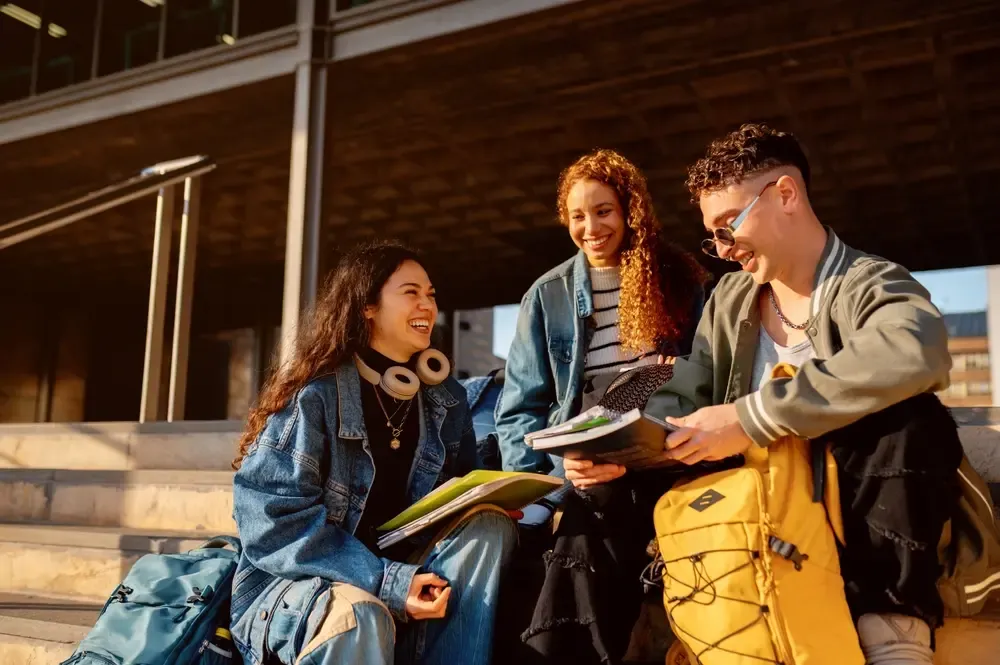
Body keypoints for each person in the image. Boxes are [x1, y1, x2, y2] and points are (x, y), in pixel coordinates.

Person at [600, 122, 996, 663]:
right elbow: (685, 399)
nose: (721, 248)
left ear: (785, 194)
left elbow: (914, 350)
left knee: (908, 417)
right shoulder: (731, 297)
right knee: (592, 498)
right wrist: (618, 447)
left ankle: (896, 638)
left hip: (846, 508)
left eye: (727, 225)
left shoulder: (869, 281)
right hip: (747, 504)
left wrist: (752, 416)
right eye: (711, 234)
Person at [230, 241, 517, 665]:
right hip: (307, 582)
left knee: (488, 526)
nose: (427, 305)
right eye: (410, 292)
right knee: (364, 614)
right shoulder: (316, 398)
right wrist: (386, 581)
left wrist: (491, 501)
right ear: (367, 306)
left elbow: (459, 491)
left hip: (405, 575)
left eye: (431, 294)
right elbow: (269, 525)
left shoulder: (447, 400)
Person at [495, 149, 709, 664]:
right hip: (585, 468)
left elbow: (712, 380)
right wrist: (557, 469)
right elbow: (518, 413)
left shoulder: (680, 280)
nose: (590, 227)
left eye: (604, 211)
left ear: (630, 210)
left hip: (668, 454)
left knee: (602, 521)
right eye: (577, 216)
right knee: (589, 518)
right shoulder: (547, 297)